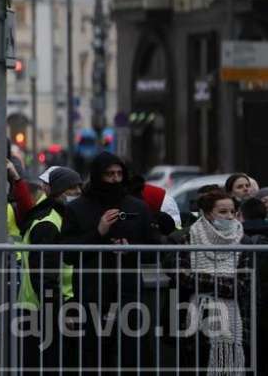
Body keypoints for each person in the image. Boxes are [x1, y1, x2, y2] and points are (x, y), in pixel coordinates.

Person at [60, 151, 160, 372]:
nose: (115, 179)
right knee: (93, 356)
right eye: (109, 174)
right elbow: (68, 253)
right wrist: (98, 232)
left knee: (131, 353)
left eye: (119, 174)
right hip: (91, 294)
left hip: (128, 292)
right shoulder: (78, 208)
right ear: (97, 176)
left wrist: (131, 249)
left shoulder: (137, 207)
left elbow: (153, 248)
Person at [168, 190, 258, 374]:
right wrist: (222, 281)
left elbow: (240, 285)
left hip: (234, 318)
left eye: (232, 212)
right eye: (223, 212)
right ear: (207, 213)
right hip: (193, 317)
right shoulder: (187, 238)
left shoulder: (244, 241)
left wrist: (200, 278)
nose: (229, 216)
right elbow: (181, 275)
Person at [18, 167, 81, 373]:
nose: (77, 192)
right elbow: (44, 275)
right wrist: (59, 310)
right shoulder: (48, 223)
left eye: (79, 187)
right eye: (72, 188)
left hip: (51, 305)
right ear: (59, 191)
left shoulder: (62, 216)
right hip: (44, 308)